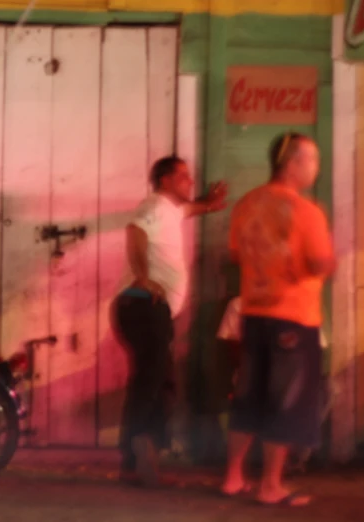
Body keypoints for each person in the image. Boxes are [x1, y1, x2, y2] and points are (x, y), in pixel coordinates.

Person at [221, 132, 336, 506]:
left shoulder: (247, 204)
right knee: (284, 403)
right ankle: (271, 485)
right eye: (312, 160)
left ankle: (233, 477)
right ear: (293, 164)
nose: (315, 168)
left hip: (254, 315)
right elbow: (320, 263)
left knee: (248, 398)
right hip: (294, 318)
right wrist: (331, 261)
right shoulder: (307, 212)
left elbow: (238, 254)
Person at [111, 155, 228, 487]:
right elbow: (135, 231)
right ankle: (137, 455)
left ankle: (139, 456)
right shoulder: (155, 208)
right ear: (164, 181)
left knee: (158, 383)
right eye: (183, 177)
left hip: (147, 309)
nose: (190, 181)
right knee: (152, 384)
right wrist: (144, 277)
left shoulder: (171, 210)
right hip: (145, 306)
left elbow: (190, 209)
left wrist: (208, 204)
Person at [216, 295, 330, 473]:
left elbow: (315, 348)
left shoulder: (301, 304)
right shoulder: (240, 304)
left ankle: (291, 457)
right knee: (274, 394)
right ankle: (265, 471)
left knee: (324, 389)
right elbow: (232, 345)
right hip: (258, 373)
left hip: (288, 373)